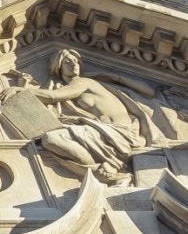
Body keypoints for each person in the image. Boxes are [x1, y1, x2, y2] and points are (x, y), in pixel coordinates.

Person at [24, 48, 146, 180]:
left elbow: (53, 96)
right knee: (51, 139)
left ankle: (111, 167)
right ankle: (106, 170)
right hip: (106, 132)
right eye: (68, 62)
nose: (74, 64)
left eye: (76, 61)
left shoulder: (83, 82)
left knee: (51, 139)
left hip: (118, 133)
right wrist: (25, 86)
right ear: (58, 67)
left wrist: (19, 90)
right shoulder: (69, 86)